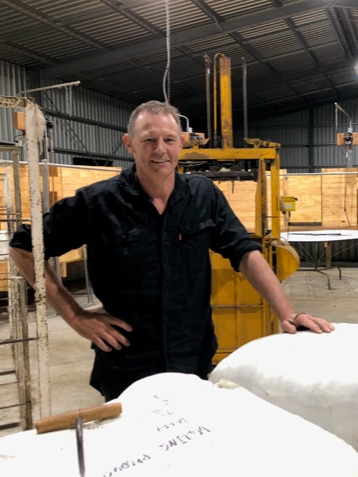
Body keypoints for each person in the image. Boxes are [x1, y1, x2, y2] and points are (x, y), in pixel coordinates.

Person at [9, 100, 335, 401]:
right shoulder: (97, 203)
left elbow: (244, 252)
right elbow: (24, 246)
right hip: (127, 364)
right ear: (129, 144)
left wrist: (286, 312)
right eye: (149, 139)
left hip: (192, 356)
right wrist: (74, 314)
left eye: (168, 139)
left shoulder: (203, 196)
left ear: (181, 143)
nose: (160, 150)